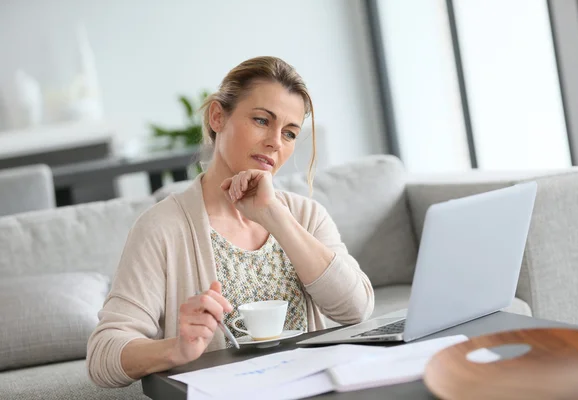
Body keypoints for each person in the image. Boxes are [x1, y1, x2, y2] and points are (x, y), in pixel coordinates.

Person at [86, 56, 374, 388]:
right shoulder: (162, 228)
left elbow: (357, 310)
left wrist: (275, 217)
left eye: (290, 133)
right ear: (218, 116)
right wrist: (176, 349)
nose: (276, 142)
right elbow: (102, 356)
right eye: (262, 120)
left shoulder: (305, 216)